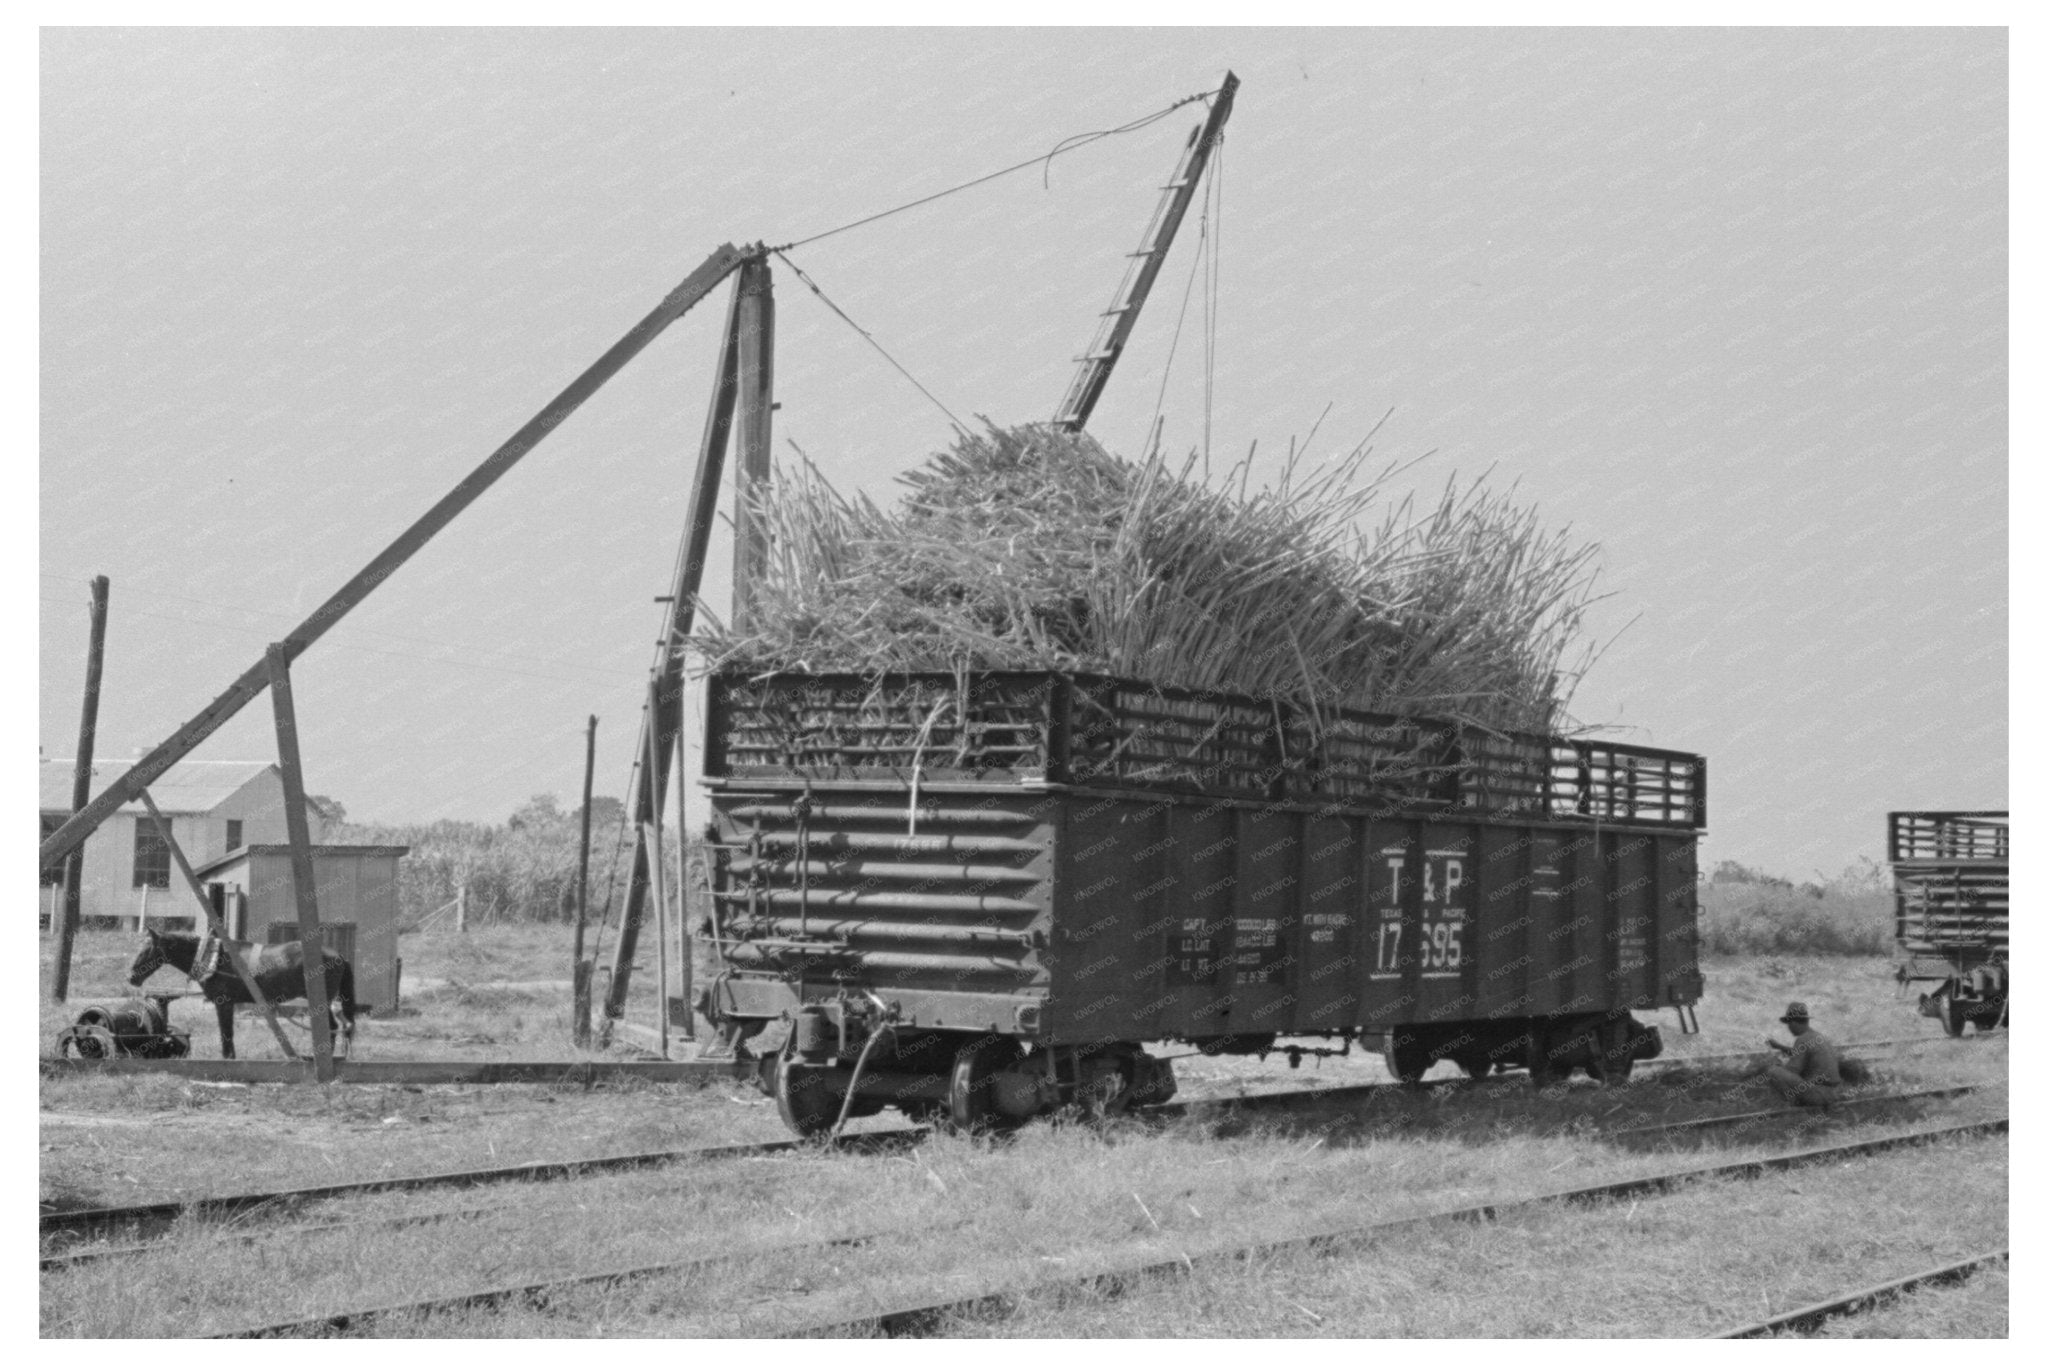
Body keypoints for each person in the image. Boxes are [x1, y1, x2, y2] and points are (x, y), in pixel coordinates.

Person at [1754, 1001, 1842, 1108]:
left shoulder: (1802, 1039)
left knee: (1773, 1072)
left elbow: (1793, 1070)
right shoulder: (1818, 1036)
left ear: (1794, 1023)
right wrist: (1779, 1046)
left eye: (1789, 1024)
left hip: (1819, 1094)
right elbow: (1803, 1053)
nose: (1789, 1028)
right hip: (1834, 1092)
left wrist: (1775, 1063)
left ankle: (1793, 1106)